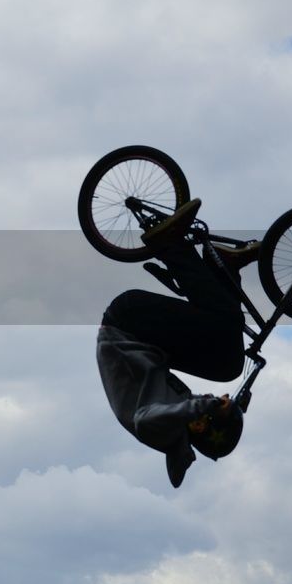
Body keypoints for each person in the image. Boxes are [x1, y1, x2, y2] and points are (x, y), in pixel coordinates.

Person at [96, 198, 254, 488]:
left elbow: (145, 418)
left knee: (225, 319)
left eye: (212, 411)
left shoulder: (160, 430)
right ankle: (225, 267)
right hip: (146, 340)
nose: (211, 399)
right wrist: (237, 404)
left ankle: (170, 244)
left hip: (129, 325)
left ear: (203, 423)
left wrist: (205, 405)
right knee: (229, 365)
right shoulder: (179, 428)